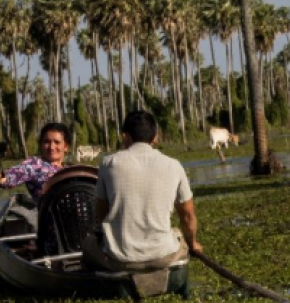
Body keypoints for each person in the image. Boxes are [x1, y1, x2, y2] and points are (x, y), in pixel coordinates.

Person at [82, 110, 203, 272]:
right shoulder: (174, 165)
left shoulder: (108, 164)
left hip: (119, 258)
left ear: (125, 136)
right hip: (163, 255)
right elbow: (188, 215)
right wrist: (193, 244)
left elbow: (102, 212)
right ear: (155, 138)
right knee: (178, 236)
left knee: (88, 244)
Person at [0, 122, 70, 202]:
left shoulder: (70, 169)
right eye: (46, 142)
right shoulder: (35, 165)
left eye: (57, 142)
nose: (51, 147)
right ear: (40, 144)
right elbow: (4, 180)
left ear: (65, 147)